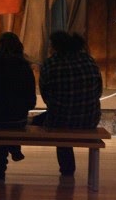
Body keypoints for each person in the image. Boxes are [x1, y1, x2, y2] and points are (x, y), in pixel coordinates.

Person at [33, 31, 101, 176]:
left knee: (49, 120)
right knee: (59, 116)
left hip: (60, 118)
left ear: (55, 47)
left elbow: (46, 97)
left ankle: (67, 169)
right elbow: (98, 91)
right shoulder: (89, 62)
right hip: (89, 118)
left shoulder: (51, 64)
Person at [0, 32, 36, 181]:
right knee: (13, 125)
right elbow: (31, 101)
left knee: (1, 131)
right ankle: (14, 146)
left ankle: (0, 170)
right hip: (18, 118)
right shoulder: (25, 69)